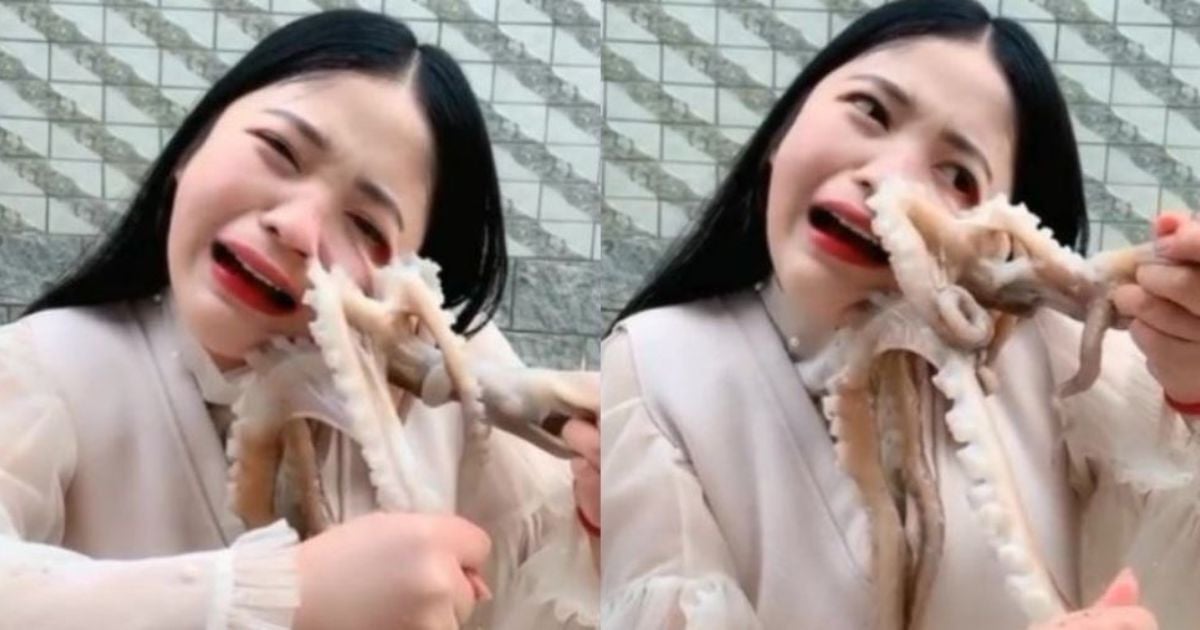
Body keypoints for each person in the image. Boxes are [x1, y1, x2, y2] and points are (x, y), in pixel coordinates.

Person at [599, 1, 1200, 629]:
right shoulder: (655, 362)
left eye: (959, 176)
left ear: (995, 243)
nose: (887, 180)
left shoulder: (1057, 357)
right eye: (871, 111)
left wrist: (1190, 382)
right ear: (784, 128)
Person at [0, 9, 599, 630]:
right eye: (280, 150)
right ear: (195, 143)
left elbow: (538, 588)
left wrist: (603, 526)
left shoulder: (449, 391)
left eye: (366, 225)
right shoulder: (43, 367)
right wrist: (279, 594)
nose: (297, 227)